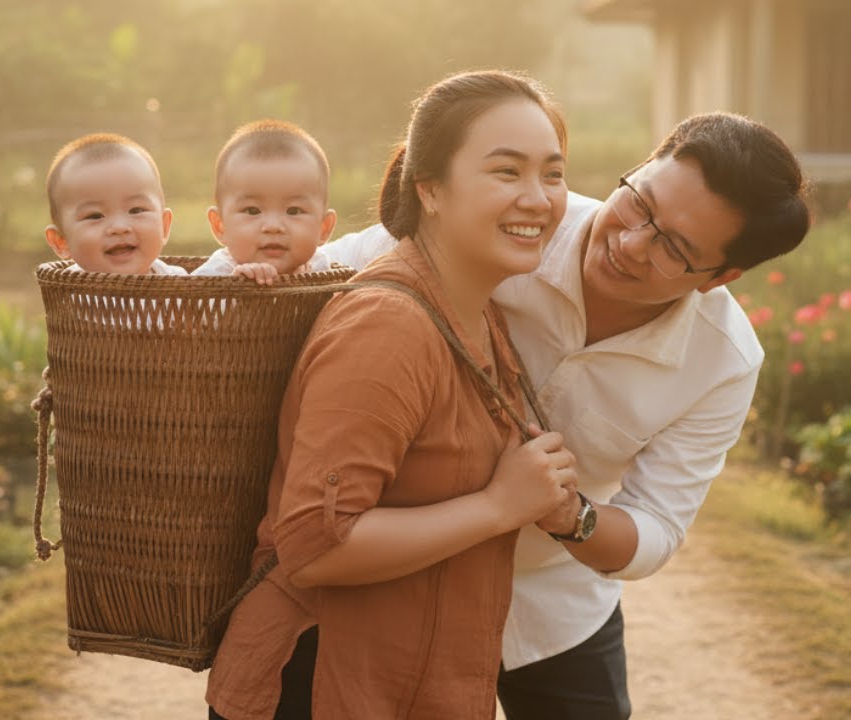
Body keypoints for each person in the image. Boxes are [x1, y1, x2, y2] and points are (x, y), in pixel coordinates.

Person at [322, 110, 812, 719]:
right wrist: (180, 286)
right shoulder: (517, 223)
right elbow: (330, 265)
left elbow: (656, 529)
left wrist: (567, 514)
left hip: (551, 598)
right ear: (634, 171)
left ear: (722, 277)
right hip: (399, 567)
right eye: (640, 205)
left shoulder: (724, 361)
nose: (631, 244)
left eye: (674, 248)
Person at [205, 70, 578, 719]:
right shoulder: (389, 326)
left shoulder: (479, 313)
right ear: (430, 189)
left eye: (552, 173)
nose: (538, 198)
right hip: (322, 685)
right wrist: (498, 505)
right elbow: (316, 543)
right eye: (507, 172)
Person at [192, 120, 338, 284]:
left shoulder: (321, 270)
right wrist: (237, 292)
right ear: (220, 226)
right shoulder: (212, 276)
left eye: (294, 211)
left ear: (323, 228)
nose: (273, 226)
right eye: (252, 211)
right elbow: (190, 308)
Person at [43, 133, 185, 275]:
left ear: (164, 225)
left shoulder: (182, 285)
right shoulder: (67, 292)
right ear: (61, 241)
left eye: (136, 210)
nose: (119, 227)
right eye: (95, 216)